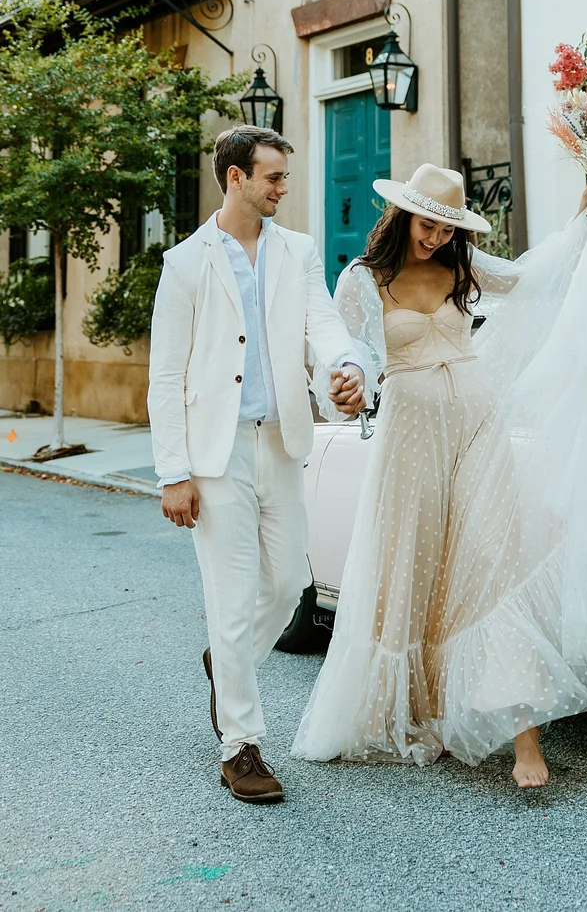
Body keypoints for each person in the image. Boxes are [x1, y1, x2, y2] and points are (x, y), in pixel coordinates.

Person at [293, 163, 587, 789]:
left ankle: (525, 739)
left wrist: (584, 217)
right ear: (403, 214)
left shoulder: (463, 266)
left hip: (480, 423)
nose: (434, 237)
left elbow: (534, 279)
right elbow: (340, 356)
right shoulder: (364, 279)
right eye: (427, 224)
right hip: (410, 436)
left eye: (446, 227)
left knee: (493, 558)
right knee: (415, 562)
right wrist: (343, 388)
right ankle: (420, 708)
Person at [148, 126, 365, 804]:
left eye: (284, 176)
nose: (283, 188)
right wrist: (172, 471)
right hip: (215, 454)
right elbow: (165, 374)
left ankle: (227, 659)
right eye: (273, 177)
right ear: (236, 178)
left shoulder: (296, 251)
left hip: (280, 441)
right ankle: (240, 746)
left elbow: (321, 322)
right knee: (232, 596)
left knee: (289, 582)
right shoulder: (186, 263)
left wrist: (346, 364)